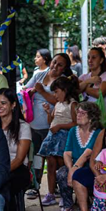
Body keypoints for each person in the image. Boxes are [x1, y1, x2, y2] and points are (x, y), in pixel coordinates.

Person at [23, 52, 73, 200]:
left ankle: (57, 187)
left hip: (51, 126)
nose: (55, 66)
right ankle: (36, 184)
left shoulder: (63, 82)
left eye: (60, 65)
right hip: (34, 124)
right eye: (54, 62)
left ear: (64, 69)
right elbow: (25, 89)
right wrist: (31, 91)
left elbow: (57, 101)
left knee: (53, 159)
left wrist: (41, 91)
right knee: (37, 156)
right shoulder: (39, 74)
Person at [0, 88, 31, 211]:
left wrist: (2, 173)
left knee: (6, 183)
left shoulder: (23, 126)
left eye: (3, 103)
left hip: (16, 168)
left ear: (13, 105)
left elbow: (20, 158)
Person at [56, 102, 103, 211]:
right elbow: (67, 153)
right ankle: (68, 205)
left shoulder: (98, 132)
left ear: (91, 117)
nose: (78, 115)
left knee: (78, 175)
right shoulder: (73, 131)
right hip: (75, 164)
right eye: (78, 112)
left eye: (82, 113)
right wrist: (70, 168)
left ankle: (86, 209)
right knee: (61, 173)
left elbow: (87, 154)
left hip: (90, 165)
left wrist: (73, 172)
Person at [38, 76, 78, 208]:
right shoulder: (57, 104)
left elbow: (76, 123)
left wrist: (60, 126)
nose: (54, 95)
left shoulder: (72, 104)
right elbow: (51, 122)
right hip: (53, 136)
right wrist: (48, 113)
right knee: (50, 164)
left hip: (64, 138)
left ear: (65, 90)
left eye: (56, 92)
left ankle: (64, 194)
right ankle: (50, 193)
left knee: (62, 166)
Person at [78, 47, 106, 113]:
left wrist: (84, 86)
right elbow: (75, 90)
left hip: (103, 116)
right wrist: (88, 81)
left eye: (94, 57)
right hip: (87, 116)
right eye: (88, 57)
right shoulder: (83, 77)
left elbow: (99, 93)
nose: (90, 60)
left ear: (101, 60)